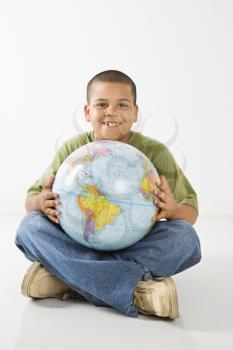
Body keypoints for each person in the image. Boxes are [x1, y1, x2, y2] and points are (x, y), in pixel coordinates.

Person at [15, 69, 202, 319]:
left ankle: (66, 278)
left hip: (134, 244)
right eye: (101, 104)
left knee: (185, 237)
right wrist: (41, 202)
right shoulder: (73, 149)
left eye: (122, 105)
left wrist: (173, 210)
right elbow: (31, 201)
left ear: (135, 113)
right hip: (77, 238)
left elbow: (190, 212)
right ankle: (135, 291)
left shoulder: (156, 153)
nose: (111, 112)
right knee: (30, 227)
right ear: (87, 112)